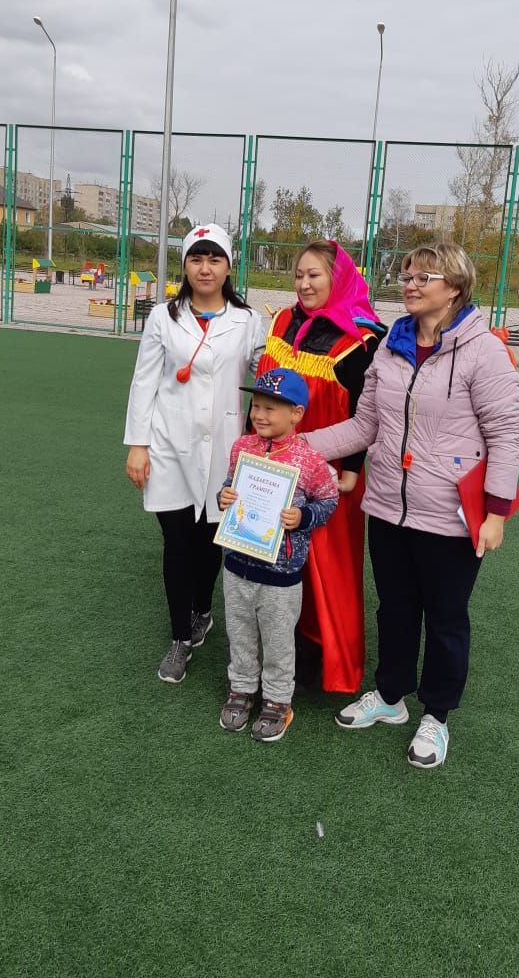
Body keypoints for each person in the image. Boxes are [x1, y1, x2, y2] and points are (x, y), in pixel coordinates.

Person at [304, 242, 519, 768]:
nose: (409, 284)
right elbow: (365, 425)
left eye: (424, 277)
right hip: (386, 506)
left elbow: (505, 434)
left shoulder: (483, 350)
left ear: (455, 287)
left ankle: (437, 715)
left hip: (450, 516)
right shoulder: (390, 344)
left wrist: (495, 513)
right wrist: (298, 445)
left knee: (446, 619)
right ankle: (390, 695)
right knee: (395, 608)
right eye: (406, 275)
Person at [124, 223, 265, 685]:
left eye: (215, 259)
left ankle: (202, 610)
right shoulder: (163, 317)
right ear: (184, 266)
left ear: (228, 267)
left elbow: (266, 373)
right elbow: (145, 381)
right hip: (169, 446)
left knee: (210, 542)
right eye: (196, 259)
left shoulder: (248, 321)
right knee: (177, 541)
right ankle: (180, 637)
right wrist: (138, 446)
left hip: (225, 448)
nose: (206, 269)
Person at [255, 240, 386, 693]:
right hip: (275, 463)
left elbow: (365, 413)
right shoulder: (281, 322)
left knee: (327, 564)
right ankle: (279, 647)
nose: (305, 284)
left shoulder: (361, 340)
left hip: (331, 472)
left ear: (338, 278)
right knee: (274, 551)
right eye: (299, 275)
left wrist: (352, 467)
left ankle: (327, 656)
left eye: (315, 275)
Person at [218, 368, 338, 742]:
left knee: (278, 640)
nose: (259, 415)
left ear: (296, 414)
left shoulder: (310, 460)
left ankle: (277, 699)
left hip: (281, 573)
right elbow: (230, 486)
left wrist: (303, 517)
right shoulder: (242, 447)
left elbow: (329, 501)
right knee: (239, 632)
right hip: (237, 563)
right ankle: (242, 688)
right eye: (256, 406)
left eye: (270, 408)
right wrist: (224, 496)